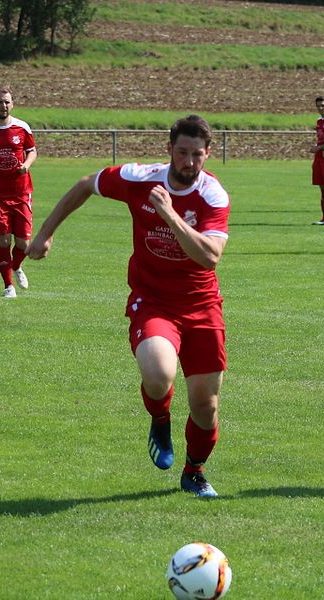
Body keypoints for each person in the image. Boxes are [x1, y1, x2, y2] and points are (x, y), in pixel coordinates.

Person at [27, 115, 230, 498]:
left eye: (197, 155)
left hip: (202, 304)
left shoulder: (212, 195)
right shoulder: (140, 178)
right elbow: (87, 184)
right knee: (158, 373)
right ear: (169, 149)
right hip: (152, 300)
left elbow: (210, 256)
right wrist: (45, 234)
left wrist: (169, 214)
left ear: (208, 154)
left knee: (206, 406)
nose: (189, 162)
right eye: (182, 152)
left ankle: (194, 471)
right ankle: (160, 418)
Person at [0, 85, 37, 298]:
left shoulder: (22, 127)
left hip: (21, 192)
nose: (3, 106)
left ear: (12, 104)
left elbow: (31, 151)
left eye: (7, 102)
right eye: (0, 102)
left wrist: (27, 164)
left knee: (23, 243)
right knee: (3, 240)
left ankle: (15, 265)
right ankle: (8, 286)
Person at [310, 95, 324, 225]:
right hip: (320, 157)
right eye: (318, 106)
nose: (320, 108)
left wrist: (318, 147)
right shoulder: (319, 121)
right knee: (322, 188)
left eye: (322, 106)